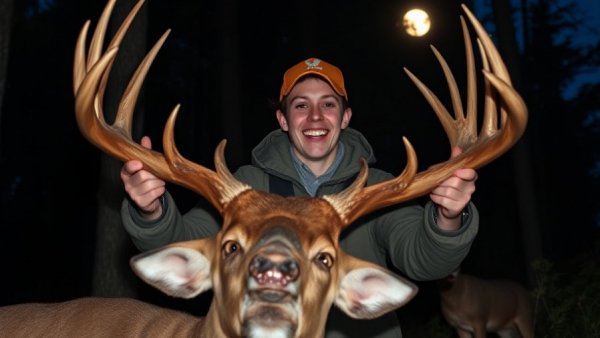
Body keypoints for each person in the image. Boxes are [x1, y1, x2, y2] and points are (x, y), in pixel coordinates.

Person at [120, 57, 479, 337]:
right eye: (301, 105)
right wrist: (151, 209)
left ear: (345, 117)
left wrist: (447, 217)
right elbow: (185, 240)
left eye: (328, 105)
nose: (315, 117)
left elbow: (427, 261)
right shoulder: (246, 187)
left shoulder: (377, 191)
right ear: (283, 119)